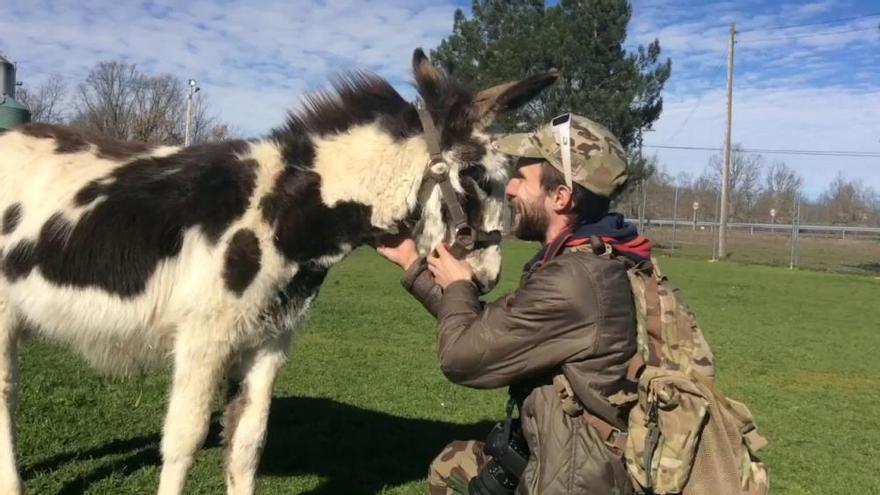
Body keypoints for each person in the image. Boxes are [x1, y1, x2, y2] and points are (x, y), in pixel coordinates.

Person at [377, 114, 653, 495]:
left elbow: (461, 357)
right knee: (451, 463)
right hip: (576, 458)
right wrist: (413, 263)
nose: (510, 188)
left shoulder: (574, 281)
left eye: (523, 177)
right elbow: (490, 330)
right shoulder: (597, 257)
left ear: (561, 197)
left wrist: (459, 283)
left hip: (577, 481)